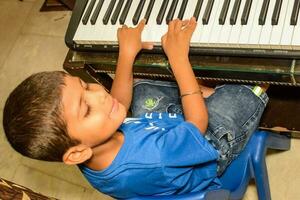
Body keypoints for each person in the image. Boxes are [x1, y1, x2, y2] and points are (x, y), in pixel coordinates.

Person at [2, 18, 268, 199]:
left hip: (156, 134)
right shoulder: (155, 158)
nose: (98, 93)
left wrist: (126, 55)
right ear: (77, 152)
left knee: (139, 90)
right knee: (243, 94)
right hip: (203, 154)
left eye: (84, 86)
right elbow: (197, 123)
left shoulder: (89, 149)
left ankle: (198, 92)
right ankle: (219, 93)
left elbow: (120, 103)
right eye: (86, 109)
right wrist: (178, 59)